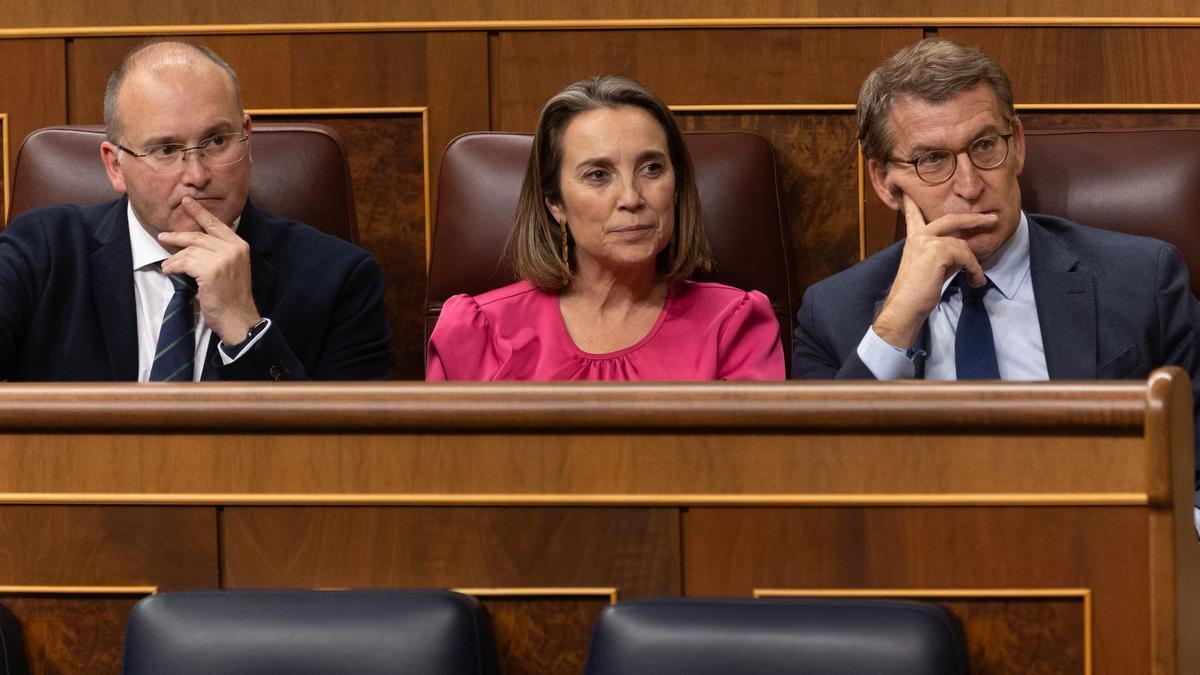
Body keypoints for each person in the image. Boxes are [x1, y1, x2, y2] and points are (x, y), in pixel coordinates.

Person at [791, 39, 1200, 512]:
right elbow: (815, 491)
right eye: (932, 160)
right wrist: (897, 322)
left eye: (985, 146)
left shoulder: (1140, 279)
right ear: (884, 182)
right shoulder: (833, 315)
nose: (969, 186)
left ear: (1018, 145)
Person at [0, 41, 392, 381]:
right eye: (166, 150)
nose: (197, 174)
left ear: (247, 139)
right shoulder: (40, 251)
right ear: (115, 166)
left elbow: (343, 458)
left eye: (217, 141)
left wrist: (246, 327)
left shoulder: (341, 280)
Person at [427, 75, 784, 381]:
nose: (631, 197)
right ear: (555, 202)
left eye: (652, 169)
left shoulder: (733, 324)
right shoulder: (479, 331)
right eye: (598, 175)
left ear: (677, 186)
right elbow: (445, 461)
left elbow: (756, 460)